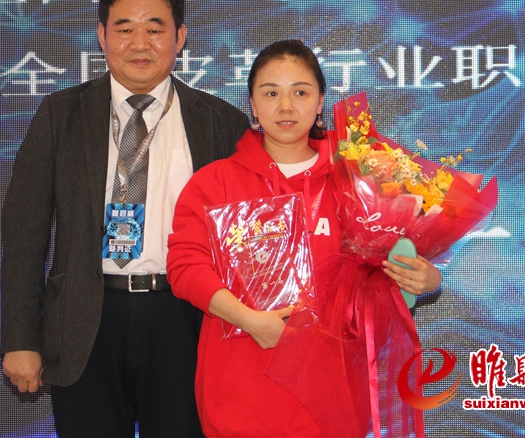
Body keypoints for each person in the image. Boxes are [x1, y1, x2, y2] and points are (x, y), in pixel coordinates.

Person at [0, 0, 249, 438]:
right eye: (125, 29)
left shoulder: (219, 122)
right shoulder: (60, 115)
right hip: (85, 320)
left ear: (179, 38)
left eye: (155, 29)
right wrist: (20, 338)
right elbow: (24, 234)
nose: (140, 43)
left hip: (184, 319)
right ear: (102, 36)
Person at [166, 39, 442, 437]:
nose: (285, 106)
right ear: (252, 104)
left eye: (300, 92)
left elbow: (388, 267)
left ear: (320, 102)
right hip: (242, 389)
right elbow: (184, 267)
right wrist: (249, 320)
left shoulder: (363, 182)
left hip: (332, 393)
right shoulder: (215, 182)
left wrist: (424, 277)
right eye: (271, 93)